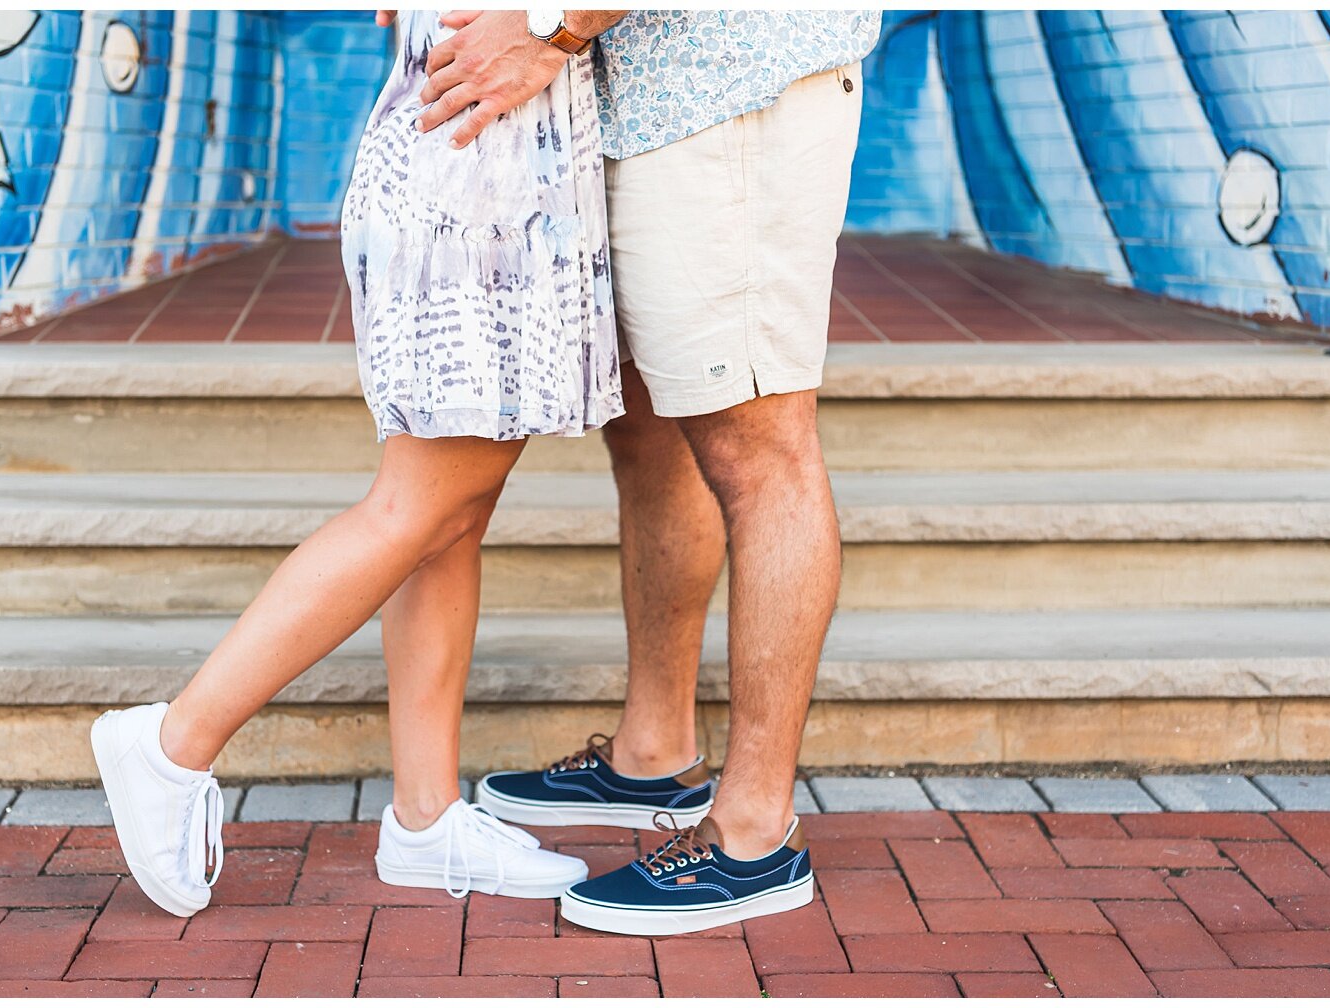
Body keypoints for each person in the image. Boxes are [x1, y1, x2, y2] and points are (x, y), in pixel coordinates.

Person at [88, 8, 623, 917]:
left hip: (476, 145)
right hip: (478, 161)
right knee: (416, 508)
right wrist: (559, 26)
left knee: (450, 517)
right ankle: (175, 742)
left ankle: (424, 819)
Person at [421, 9, 882, 934]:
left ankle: (755, 834)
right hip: (636, 96)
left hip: (728, 91)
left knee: (760, 449)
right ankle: (652, 752)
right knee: (652, 428)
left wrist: (552, 30)